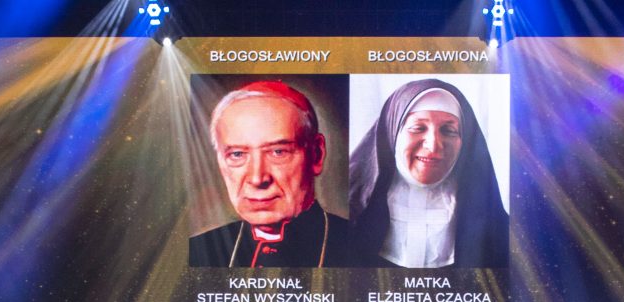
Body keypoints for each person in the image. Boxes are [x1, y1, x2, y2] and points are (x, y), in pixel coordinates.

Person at [349, 78, 507, 268]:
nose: (433, 145)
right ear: (393, 133)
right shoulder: (348, 212)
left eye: (448, 130)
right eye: (418, 128)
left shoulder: (495, 227)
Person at [190, 80, 348, 268]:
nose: (258, 179)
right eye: (237, 154)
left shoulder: (361, 250)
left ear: (316, 154)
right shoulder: (197, 253)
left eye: (278, 152)